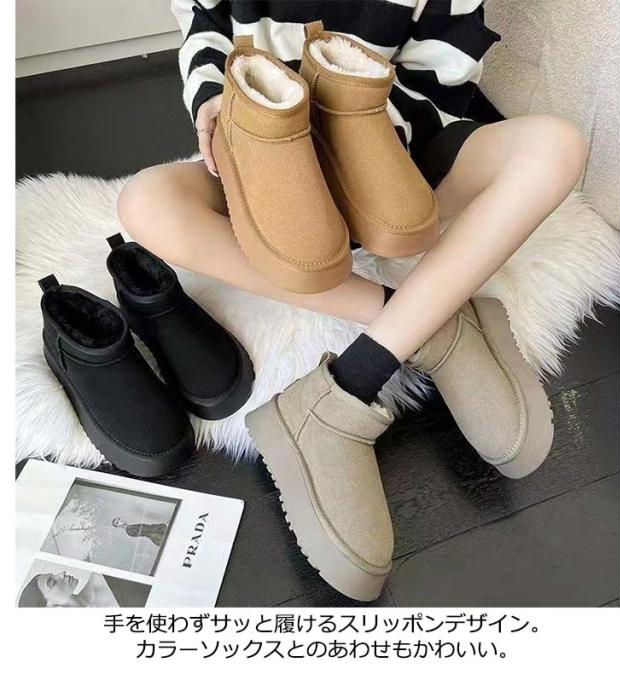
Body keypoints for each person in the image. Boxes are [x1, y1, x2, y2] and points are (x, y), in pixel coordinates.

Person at [116, 1, 588, 597]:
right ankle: (426, 322)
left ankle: (349, 383)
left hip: (402, 163)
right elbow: (203, 26)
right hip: (267, 175)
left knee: (556, 146)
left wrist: (354, 131)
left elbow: (442, 73)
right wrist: (215, 102)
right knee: (144, 202)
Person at [18, 571, 121, 607]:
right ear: (49, 605)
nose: (61, 574)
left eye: (54, 575)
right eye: (52, 583)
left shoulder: (101, 578)